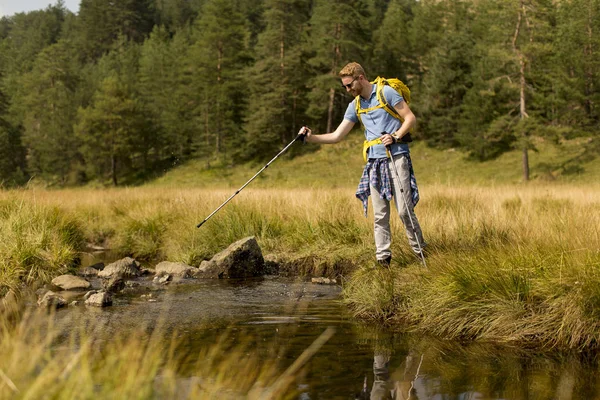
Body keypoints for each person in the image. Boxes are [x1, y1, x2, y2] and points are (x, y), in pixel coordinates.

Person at [298, 62, 426, 266]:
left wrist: (395, 136)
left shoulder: (387, 93)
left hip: (396, 156)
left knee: (404, 211)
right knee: (380, 215)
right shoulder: (355, 105)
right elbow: (337, 136)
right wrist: (310, 138)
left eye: (349, 85)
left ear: (360, 78)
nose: (347, 90)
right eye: (344, 87)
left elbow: (410, 118)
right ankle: (383, 260)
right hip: (374, 162)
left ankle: (420, 253)